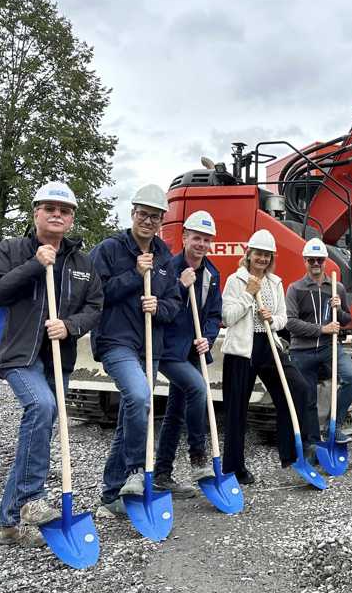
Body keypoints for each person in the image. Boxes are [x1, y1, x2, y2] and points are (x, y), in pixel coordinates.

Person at [0, 181, 102, 547]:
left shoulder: (83, 263)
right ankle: (33, 499)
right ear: (35, 212)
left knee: (37, 431)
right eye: (49, 208)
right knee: (42, 406)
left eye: (64, 211)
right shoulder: (11, 250)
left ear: (71, 219)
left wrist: (69, 326)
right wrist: (35, 265)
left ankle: (9, 521)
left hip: (57, 360)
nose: (57, 214)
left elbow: (95, 307)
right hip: (18, 355)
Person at [90, 184, 185, 513]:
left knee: (133, 412)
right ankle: (135, 470)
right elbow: (94, 295)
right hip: (116, 341)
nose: (148, 220)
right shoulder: (110, 249)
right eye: (142, 213)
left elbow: (175, 303)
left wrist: (158, 306)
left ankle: (110, 493)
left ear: (161, 220)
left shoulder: (165, 257)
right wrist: (134, 275)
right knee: (141, 397)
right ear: (132, 213)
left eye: (155, 216)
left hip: (150, 345)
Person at [221, 229, 316, 484]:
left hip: (268, 344)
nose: (262, 259)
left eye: (267, 255)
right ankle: (234, 468)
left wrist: (272, 319)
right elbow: (227, 317)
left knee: (298, 388)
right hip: (242, 349)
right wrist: (247, 295)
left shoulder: (275, 282)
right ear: (249, 254)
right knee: (236, 409)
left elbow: (284, 317)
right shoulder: (236, 280)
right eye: (258, 254)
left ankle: (290, 453)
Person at [152, 211, 222, 498]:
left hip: (194, 350)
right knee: (198, 390)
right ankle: (198, 457)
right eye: (196, 238)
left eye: (206, 240)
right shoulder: (168, 268)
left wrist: (208, 336)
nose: (201, 244)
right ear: (184, 237)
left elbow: (214, 315)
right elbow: (160, 308)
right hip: (169, 349)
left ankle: (161, 474)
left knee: (175, 412)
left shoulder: (213, 274)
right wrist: (181, 286)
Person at [286, 238, 352, 445]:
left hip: (329, 348)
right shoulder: (295, 288)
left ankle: (333, 427)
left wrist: (340, 309)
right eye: (311, 260)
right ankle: (312, 443)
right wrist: (322, 329)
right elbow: (290, 323)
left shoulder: (337, 288)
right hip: (302, 351)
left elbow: (346, 320)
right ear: (305, 261)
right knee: (308, 399)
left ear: (326, 261)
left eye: (319, 260)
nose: (316, 264)